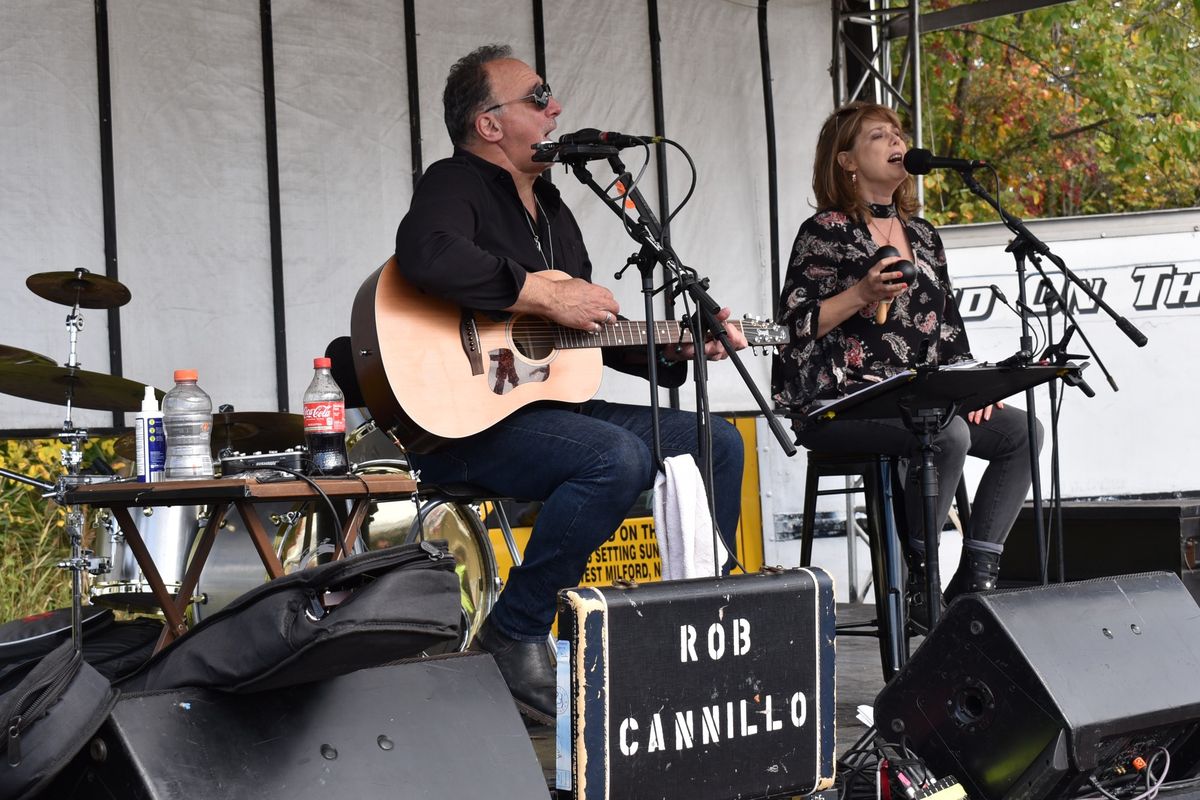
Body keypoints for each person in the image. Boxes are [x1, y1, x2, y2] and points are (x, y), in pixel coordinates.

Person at [394, 44, 746, 723]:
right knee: (614, 456)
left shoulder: (555, 207)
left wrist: (679, 351)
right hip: (464, 421)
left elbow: (583, 338)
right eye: (538, 97)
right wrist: (540, 296)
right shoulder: (454, 182)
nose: (556, 108)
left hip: (552, 410)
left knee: (716, 441)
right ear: (489, 124)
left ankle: (706, 623)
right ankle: (516, 629)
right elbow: (426, 254)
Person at [771, 101, 1043, 626]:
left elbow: (946, 327)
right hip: (843, 402)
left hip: (920, 397)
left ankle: (974, 579)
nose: (898, 142)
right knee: (948, 435)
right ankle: (920, 573)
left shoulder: (923, 235)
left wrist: (973, 388)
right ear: (848, 161)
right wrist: (860, 293)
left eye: (898, 133)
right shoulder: (824, 230)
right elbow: (793, 326)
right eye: (880, 136)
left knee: (1021, 431)